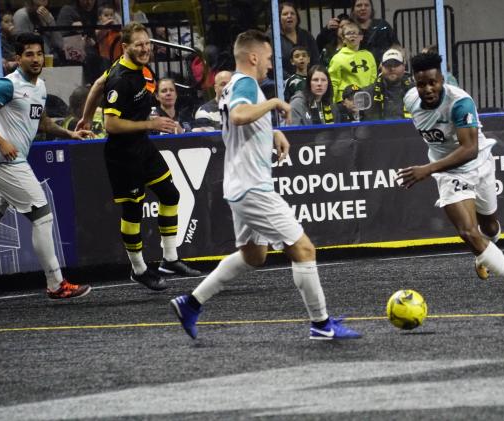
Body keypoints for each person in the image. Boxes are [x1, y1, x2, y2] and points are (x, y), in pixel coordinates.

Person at [170, 29, 361, 341]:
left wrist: (270, 133)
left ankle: (190, 303)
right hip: (252, 187)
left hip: (238, 184)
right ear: (254, 57)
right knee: (303, 249)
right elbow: (240, 116)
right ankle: (321, 325)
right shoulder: (245, 82)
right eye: (269, 58)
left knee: (254, 256)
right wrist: (273, 103)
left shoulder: (233, 84)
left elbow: (240, 122)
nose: (271, 65)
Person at [399, 52, 504, 310]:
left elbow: (469, 149)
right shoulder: (410, 100)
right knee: (468, 232)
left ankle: (483, 253)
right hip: (449, 174)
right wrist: (435, 169)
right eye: (421, 84)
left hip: (479, 164)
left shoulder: (460, 102)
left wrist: (427, 169)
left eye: (433, 82)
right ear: (414, 83)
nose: (428, 89)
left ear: (442, 79)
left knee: (490, 226)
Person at [79, 22, 201, 290]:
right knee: (133, 210)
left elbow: (98, 83)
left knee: (171, 194)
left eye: (147, 43)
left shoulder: (137, 69)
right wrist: (150, 124)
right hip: (122, 154)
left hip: (142, 146)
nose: (145, 48)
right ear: (125, 48)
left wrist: (85, 118)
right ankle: (139, 269)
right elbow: (111, 125)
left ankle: (170, 258)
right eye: (139, 44)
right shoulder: (121, 78)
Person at [0, 32, 93, 299]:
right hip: (3, 160)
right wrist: (1, 142)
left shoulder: (40, 87)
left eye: (38, 54)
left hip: (4, 162)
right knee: (42, 216)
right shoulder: (7, 85)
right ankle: (56, 284)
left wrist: (71, 134)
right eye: (29, 54)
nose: (35, 59)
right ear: (17, 58)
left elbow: (44, 124)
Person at [328, 20, 377, 103]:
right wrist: (331, 104)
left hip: (366, 99)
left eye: (354, 33)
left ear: (361, 37)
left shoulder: (369, 56)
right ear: (343, 39)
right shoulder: (337, 58)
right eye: (348, 33)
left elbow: (373, 79)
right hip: (346, 101)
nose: (352, 36)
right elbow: (333, 82)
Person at [363, 48, 414, 121]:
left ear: (403, 66)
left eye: (396, 64)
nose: (392, 68)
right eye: (388, 65)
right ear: (381, 67)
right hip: (377, 131)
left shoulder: (415, 91)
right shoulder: (367, 93)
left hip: (409, 131)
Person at [274, 2, 319, 77]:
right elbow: (273, 66)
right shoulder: (273, 37)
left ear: (297, 17)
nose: (289, 16)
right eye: (285, 14)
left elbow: (316, 59)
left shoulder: (306, 35)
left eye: (292, 13)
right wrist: (292, 80)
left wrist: (311, 77)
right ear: (278, 18)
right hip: (284, 81)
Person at [350, 0, 399, 66]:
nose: (363, 8)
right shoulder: (349, 28)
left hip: (383, 66)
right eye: (359, 5)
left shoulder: (382, 25)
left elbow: (396, 46)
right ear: (353, 9)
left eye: (366, 5)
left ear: (371, 8)